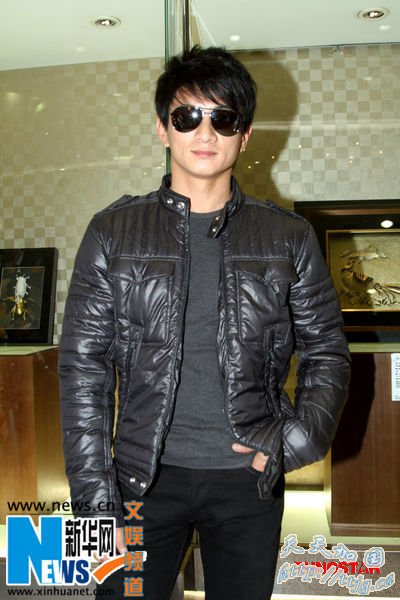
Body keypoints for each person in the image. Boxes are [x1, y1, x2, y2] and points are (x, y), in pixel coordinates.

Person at [59, 46, 351, 600]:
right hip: (137, 483)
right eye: (187, 116)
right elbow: (83, 372)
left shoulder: (288, 237)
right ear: (162, 129)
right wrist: (95, 505)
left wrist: (294, 441)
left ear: (245, 135)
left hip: (247, 481)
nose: (205, 132)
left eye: (224, 118)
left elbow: (327, 352)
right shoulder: (112, 233)